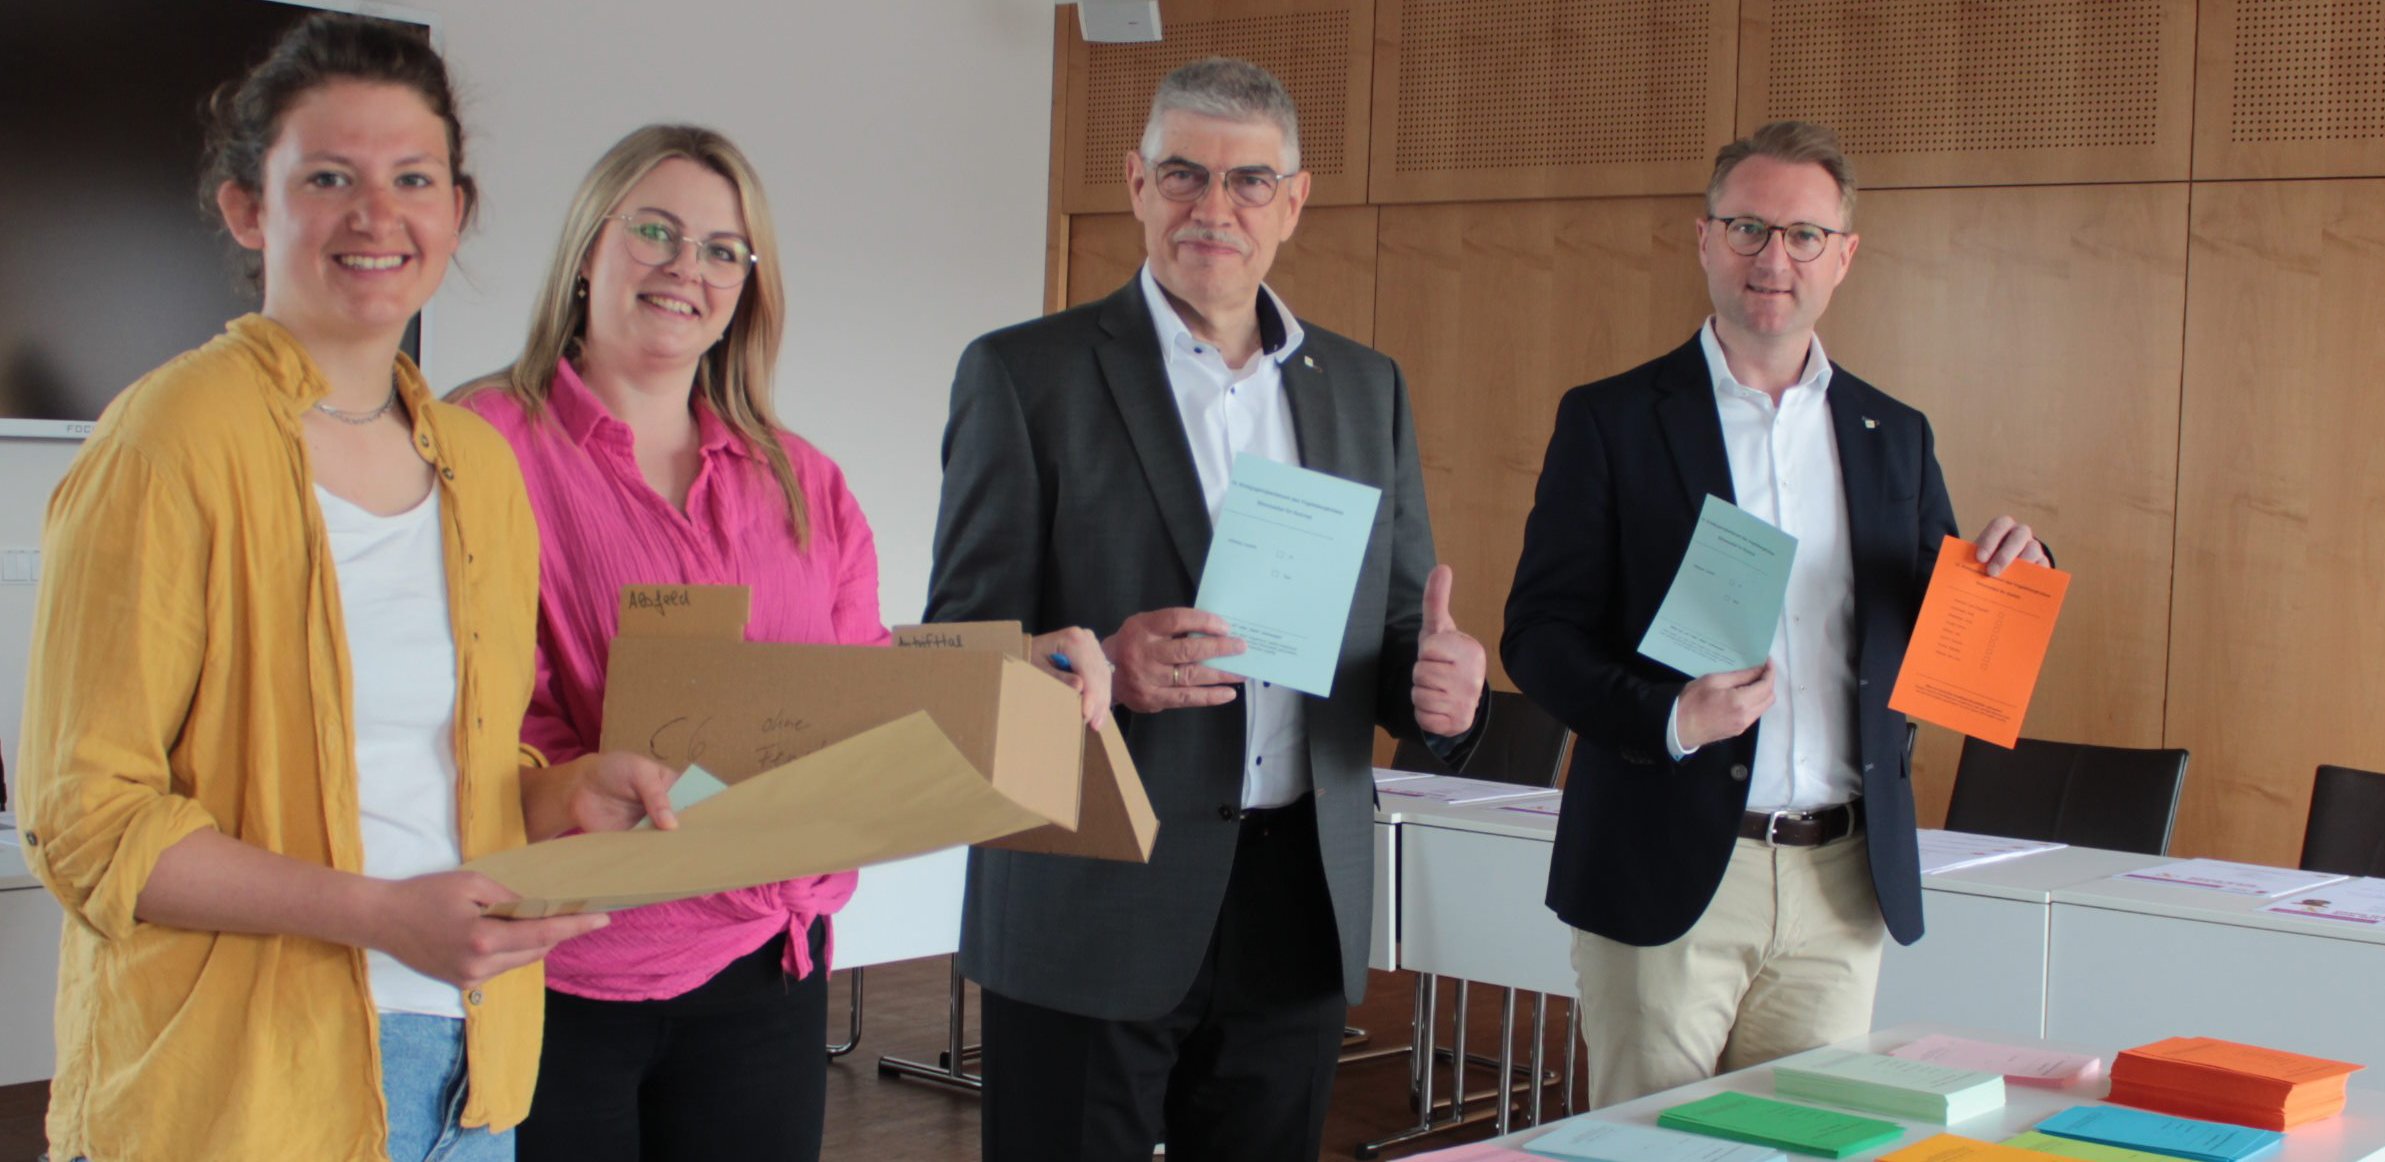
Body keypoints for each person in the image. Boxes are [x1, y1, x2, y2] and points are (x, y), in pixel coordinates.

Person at [16, 14, 675, 1161]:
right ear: (248, 208)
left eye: (413, 178)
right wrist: (379, 916)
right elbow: (85, 821)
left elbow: (453, 773)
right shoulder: (168, 441)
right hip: (237, 1092)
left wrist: (558, 795)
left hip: (469, 1074)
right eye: (329, 177)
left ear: (457, 211)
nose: (378, 215)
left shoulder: (477, 464)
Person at [457, 124, 1110, 1162]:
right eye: (657, 232)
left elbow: (852, 680)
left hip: (766, 962)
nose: (687, 269)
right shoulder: (479, 445)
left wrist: (1013, 670)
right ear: (588, 248)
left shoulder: (800, 479)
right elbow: (460, 706)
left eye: (723, 250)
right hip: (560, 966)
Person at [927, 57, 1489, 1162]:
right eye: (1183, 174)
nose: (1212, 208)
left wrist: (1437, 690)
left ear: (1293, 200)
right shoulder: (1023, 376)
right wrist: (1102, 666)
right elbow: (961, 651)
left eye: (1246, 181)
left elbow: (1388, 631)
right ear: (1135, 183)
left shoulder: (1364, 388)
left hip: (1295, 900)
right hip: (1089, 892)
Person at [1502, 120, 2055, 1106]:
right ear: (1703, 238)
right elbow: (1538, 638)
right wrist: (1668, 717)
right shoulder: (1612, 419)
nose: (1773, 257)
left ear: (1842, 257)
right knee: (1651, 1147)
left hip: (1840, 880)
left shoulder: (1893, 433)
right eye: (1747, 227)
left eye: (1802, 235)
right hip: (1666, 865)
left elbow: (1937, 625)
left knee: (1813, 1141)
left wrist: (2015, 575)